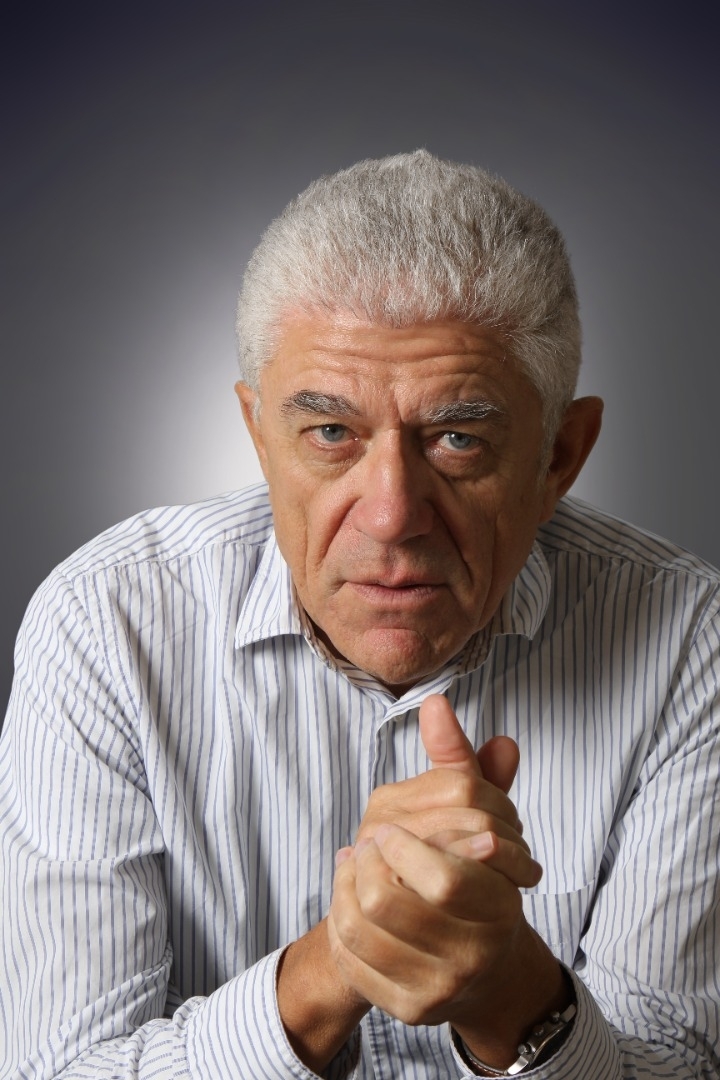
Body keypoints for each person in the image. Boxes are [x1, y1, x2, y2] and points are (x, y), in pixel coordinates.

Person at [0, 150, 718, 1080]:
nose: (390, 515)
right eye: (331, 433)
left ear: (559, 457)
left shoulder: (689, 639)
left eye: (457, 438)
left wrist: (511, 990)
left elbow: (681, 1065)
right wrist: (339, 960)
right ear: (261, 437)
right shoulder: (106, 624)